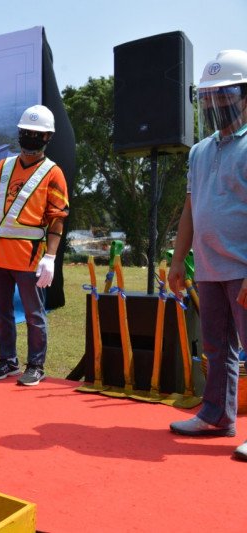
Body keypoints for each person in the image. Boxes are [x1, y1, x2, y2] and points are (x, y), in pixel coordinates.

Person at [167, 50, 247, 460]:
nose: (215, 103)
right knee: (216, 348)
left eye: (225, 94)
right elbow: (190, 209)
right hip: (210, 268)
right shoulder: (199, 151)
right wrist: (179, 260)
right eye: (209, 96)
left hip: (243, 267)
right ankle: (217, 415)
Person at [0, 104, 69, 386]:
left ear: (48, 137)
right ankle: (7, 361)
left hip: (29, 256)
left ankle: (35, 365)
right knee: (1, 313)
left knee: (34, 314)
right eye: (26, 132)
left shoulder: (53, 173)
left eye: (37, 134)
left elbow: (57, 218)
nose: (30, 137)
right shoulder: (4, 166)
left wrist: (50, 256)